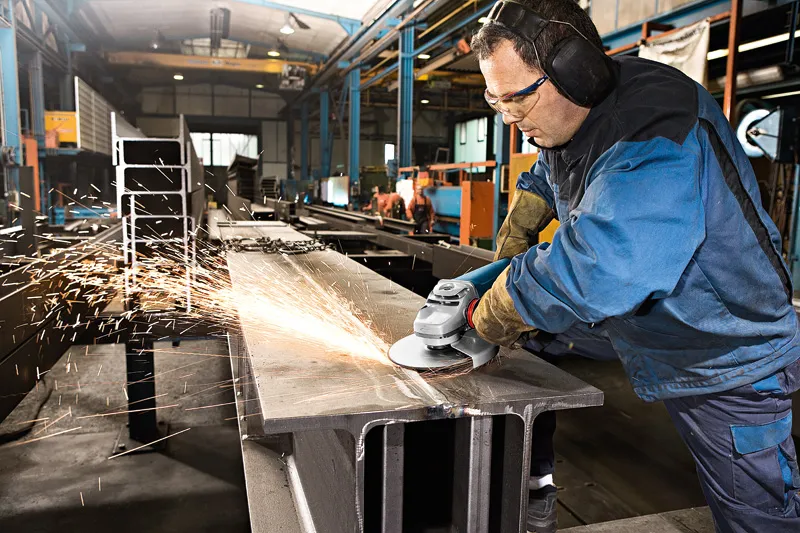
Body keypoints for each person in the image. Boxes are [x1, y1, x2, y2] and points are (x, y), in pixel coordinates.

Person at [469, 2, 800, 533]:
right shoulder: (568, 117)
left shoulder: (655, 129)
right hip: (651, 321)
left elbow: (602, 266)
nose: (508, 117)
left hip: (725, 350)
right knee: (532, 347)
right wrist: (525, 218)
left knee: (756, 515)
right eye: (494, 99)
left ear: (577, 72)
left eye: (515, 98)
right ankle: (533, 496)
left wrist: (506, 301)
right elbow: (554, 169)